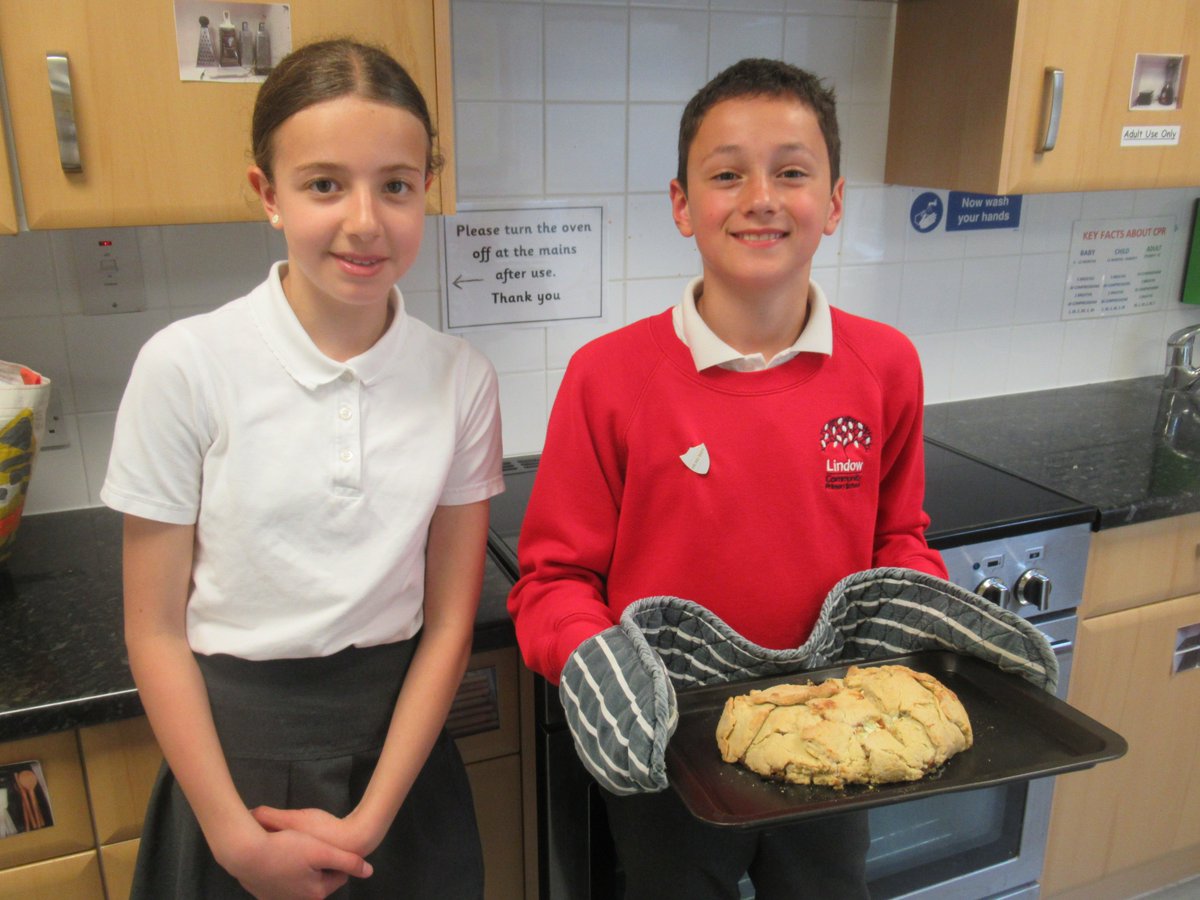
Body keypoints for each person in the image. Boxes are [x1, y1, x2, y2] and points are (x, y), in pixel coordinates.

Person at [507, 57, 948, 899]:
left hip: (836, 726)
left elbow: (899, 539)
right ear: (682, 204)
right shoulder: (608, 377)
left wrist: (921, 615)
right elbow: (554, 581)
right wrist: (594, 660)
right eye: (726, 174)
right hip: (669, 743)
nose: (761, 198)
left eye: (791, 171)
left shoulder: (885, 365)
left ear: (836, 200)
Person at [102, 39, 503, 899]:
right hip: (231, 777)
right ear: (267, 194)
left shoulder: (459, 379)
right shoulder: (186, 366)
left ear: (424, 189)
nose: (366, 220)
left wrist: (369, 822)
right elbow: (156, 632)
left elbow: (447, 626)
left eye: (396, 184)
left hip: (400, 775)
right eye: (325, 184)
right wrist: (236, 842)